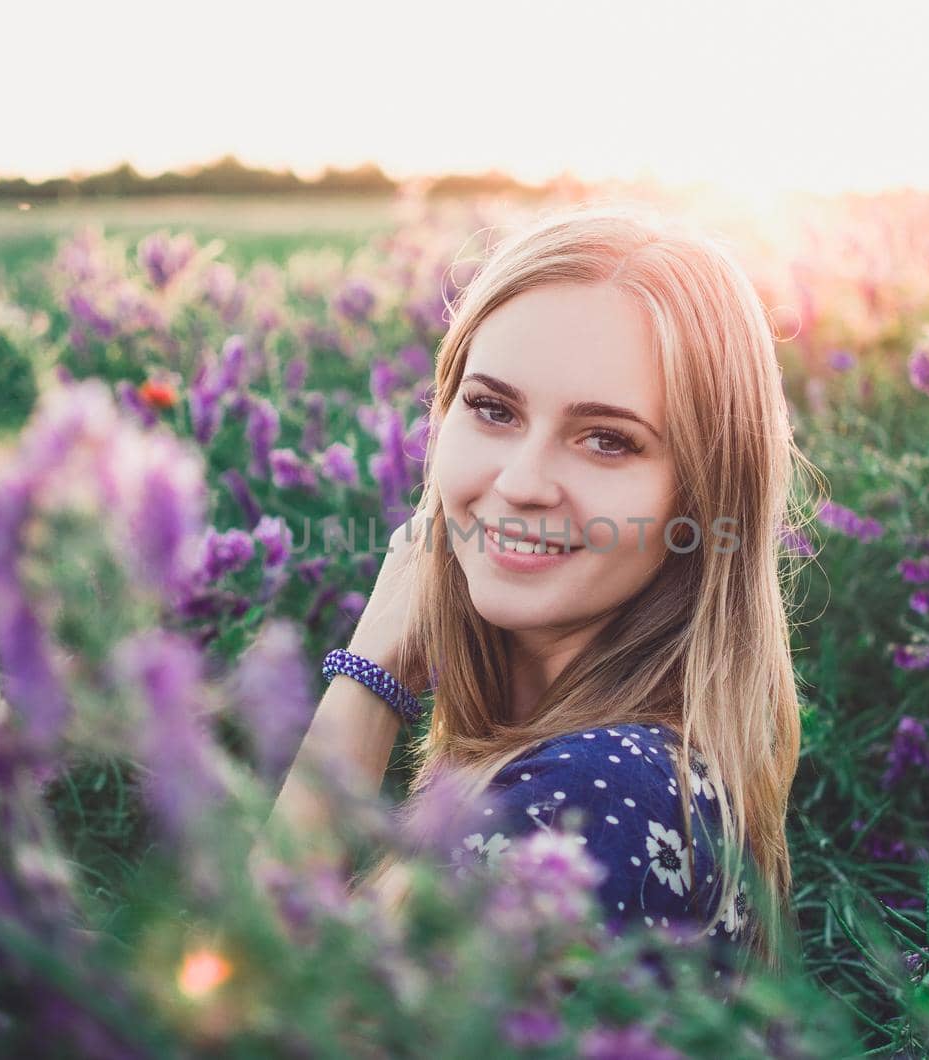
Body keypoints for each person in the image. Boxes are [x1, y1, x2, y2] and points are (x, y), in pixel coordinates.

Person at [251, 201, 819, 981]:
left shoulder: (583, 799)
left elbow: (237, 1010)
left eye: (607, 439)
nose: (521, 484)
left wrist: (370, 676)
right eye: (492, 408)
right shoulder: (641, 764)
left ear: (703, 497)